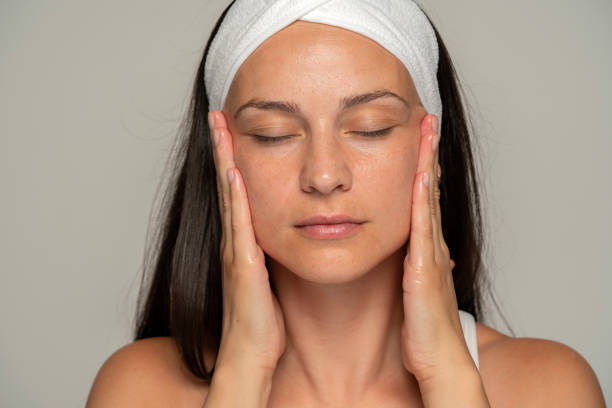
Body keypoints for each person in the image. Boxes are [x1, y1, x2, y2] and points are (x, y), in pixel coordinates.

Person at [86, 1, 605, 407]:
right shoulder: (139, 390)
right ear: (223, 157)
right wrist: (243, 371)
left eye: (370, 128)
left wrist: (447, 374)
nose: (325, 175)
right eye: (274, 134)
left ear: (435, 145)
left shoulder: (547, 388)